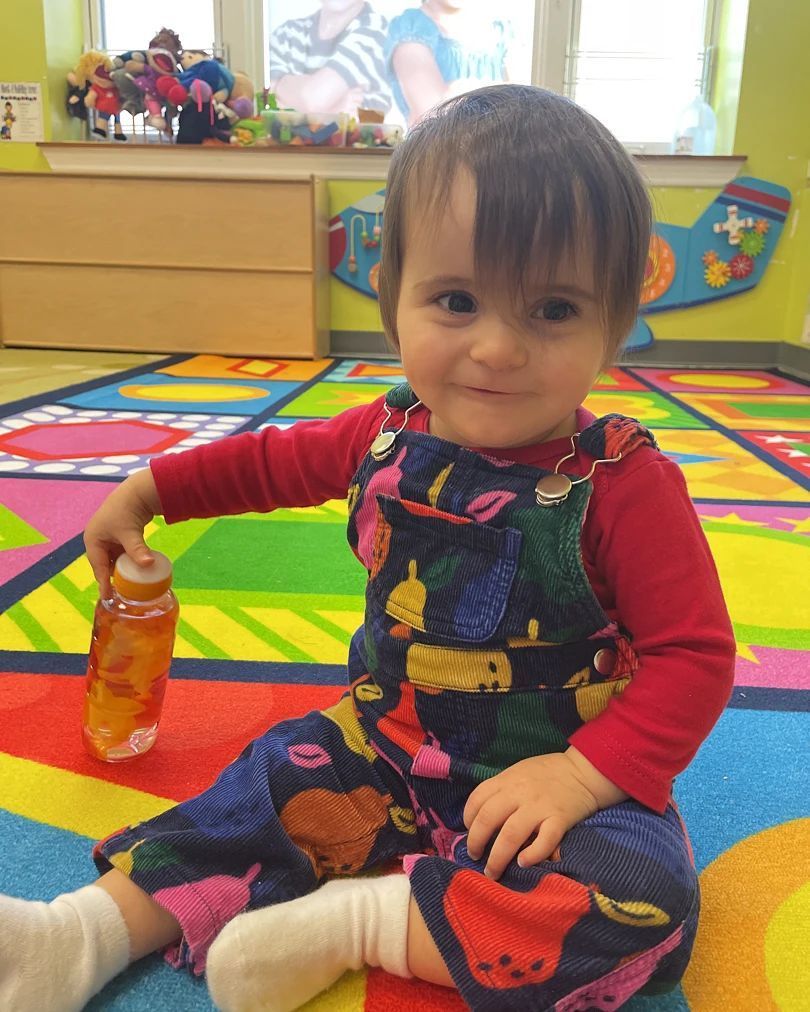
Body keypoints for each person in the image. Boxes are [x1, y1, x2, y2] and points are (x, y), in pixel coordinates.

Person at [0, 84, 736, 1012]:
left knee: (647, 906)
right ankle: (81, 934)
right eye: (458, 300)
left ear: (614, 322)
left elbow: (696, 655)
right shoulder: (384, 434)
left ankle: (365, 923)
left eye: (551, 310)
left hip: (556, 777)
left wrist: (587, 775)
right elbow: (265, 464)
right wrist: (147, 491)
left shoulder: (623, 485)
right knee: (260, 791)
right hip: (381, 745)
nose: (499, 348)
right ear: (393, 299)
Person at [386, 1, 511, 125]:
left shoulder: (503, 30)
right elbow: (434, 114)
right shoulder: (412, 27)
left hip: (504, 142)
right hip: (446, 143)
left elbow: (523, 104)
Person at [268, 0, 391, 116]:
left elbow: (314, 99)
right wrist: (335, 109)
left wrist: (281, 87)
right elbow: (268, 103)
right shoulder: (286, 34)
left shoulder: (378, 30)